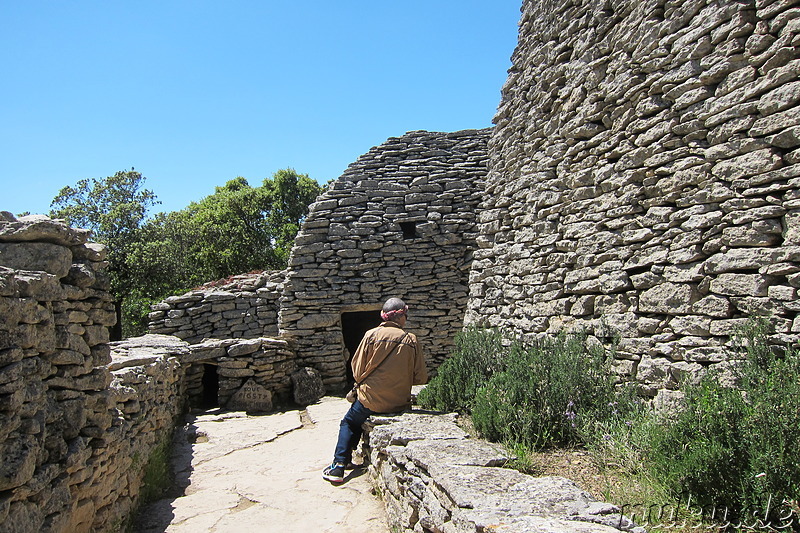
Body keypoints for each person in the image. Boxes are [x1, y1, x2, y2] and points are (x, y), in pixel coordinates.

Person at [323, 297, 427, 483]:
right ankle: (345, 460)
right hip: (399, 402)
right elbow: (420, 378)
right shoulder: (411, 340)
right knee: (353, 420)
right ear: (401, 316)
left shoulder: (371, 335)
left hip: (370, 400)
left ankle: (339, 466)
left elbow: (356, 369)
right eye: (406, 314)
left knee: (349, 422)